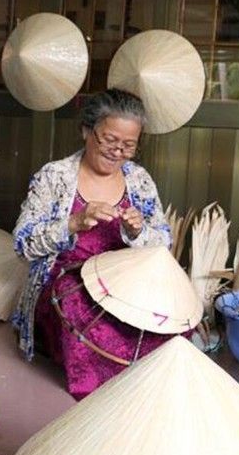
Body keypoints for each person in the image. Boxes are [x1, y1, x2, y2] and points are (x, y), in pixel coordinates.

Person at [12, 88, 175, 400]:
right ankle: (102, 393)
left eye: (128, 145)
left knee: (171, 319)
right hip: (65, 285)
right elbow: (22, 245)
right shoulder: (54, 177)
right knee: (79, 310)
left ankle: (139, 383)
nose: (118, 151)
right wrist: (72, 223)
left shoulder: (139, 180)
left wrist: (137, 233)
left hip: (124, 282)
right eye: (110, 140)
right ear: (86, 130)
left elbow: (163, 241)